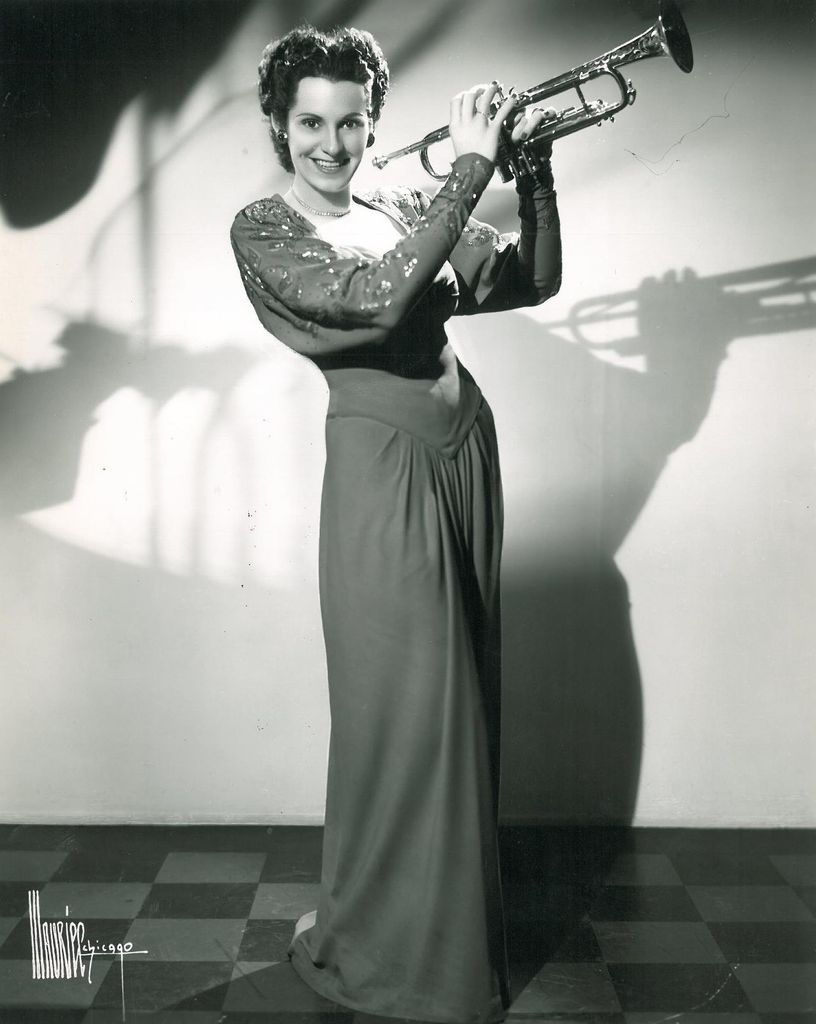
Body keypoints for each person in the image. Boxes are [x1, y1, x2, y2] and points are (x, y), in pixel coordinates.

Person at [230, 25, 562, 1024]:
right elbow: (374, 305)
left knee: (462, 708)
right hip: (384, 471)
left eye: (350, 123)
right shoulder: (265, 228)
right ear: (281, 128)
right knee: (407, 717)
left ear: (373, 123)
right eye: (311, 124)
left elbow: (531, 280)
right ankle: (400, 955)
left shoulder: (397, 204)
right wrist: (471, 168)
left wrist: (535, 173)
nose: (331, 144)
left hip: (464, 451)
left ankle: (440, 937)